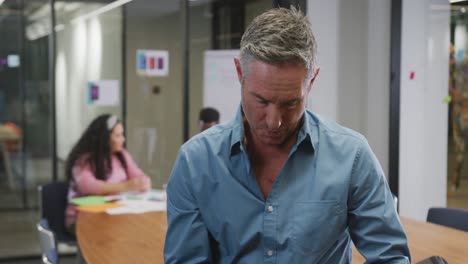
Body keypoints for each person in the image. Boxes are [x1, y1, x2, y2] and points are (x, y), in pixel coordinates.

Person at [164, 7, 410, 263]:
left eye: (291, 103)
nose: (274, 121)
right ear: (240, 73)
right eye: (261, 100)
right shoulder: (195, 163)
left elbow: (390, 257)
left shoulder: (352, 158)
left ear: (311, 81)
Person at [65, 114, 151, 233]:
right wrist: (126, 186)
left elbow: (138, 175)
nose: (123, 139)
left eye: (122, 134)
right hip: (83, 218)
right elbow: (87, 185)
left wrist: (142, 182)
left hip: (114, 213)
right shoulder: (84, 159)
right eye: (118, 136)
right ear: (105, 138)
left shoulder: (122, 155)